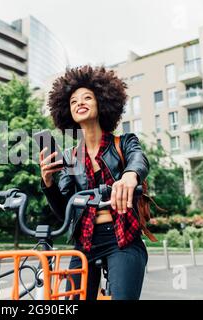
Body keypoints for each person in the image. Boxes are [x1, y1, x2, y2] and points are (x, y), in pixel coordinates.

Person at [39, 65, 149, 300]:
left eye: (87, 97)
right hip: (85, 242)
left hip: (122, 238)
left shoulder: (124, 142)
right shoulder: (70, 157)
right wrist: (48, 182)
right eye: (73, 101)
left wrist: (130, 176)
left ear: (102, 103)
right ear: (67, 112)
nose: (80, 102)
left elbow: (138, 159)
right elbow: (64, 212)